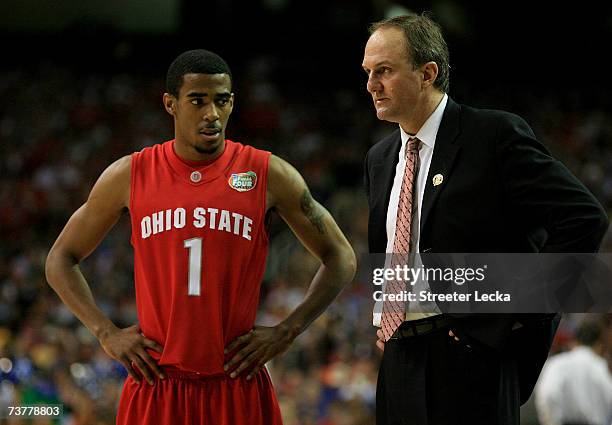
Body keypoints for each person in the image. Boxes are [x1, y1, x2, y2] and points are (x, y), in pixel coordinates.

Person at [45, 49, 356, 425]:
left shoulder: (267, 172)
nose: (212, 114)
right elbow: (60, 259)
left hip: (236, 382)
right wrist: (105, 333)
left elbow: (341, 257)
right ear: (170, 104)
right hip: (157, 383)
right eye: (198, 101)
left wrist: (287, 331)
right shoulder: (131, 174)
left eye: (221, 101)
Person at [361, 13, 609, 425]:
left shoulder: (492, 135)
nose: (371, 85)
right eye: (368, 72)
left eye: (384, 71)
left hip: (469, 355)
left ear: (427, 73)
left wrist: (516, 317)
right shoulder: (379, 159)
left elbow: (583, 219)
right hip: (398, 359)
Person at [535, 317, 612, 425]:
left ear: (574, 341)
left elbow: (548, 395)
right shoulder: (601, 367)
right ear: (599, 344)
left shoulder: (557, 363)